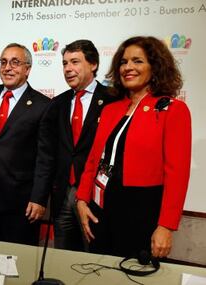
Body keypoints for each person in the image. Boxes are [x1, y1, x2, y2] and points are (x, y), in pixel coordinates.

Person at [76, 36, 191, 259]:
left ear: (155, 67)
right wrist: (81, 200)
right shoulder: (111, 110)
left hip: (142, 214)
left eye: (137, 61)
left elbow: (177, 175)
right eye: (123, 62)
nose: (128, 67)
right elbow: (93, 160)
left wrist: (166, 226)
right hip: (100, 213)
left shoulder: (173, 110)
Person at [0, 43, 53, 246]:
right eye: (4, 62)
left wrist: (39, 198)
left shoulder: (43, 105)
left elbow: (45, 158)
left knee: (18, 261)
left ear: (27, 69)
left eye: (15, 62)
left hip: (21, 201)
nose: (8, 67)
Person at [44, 40, 118, 251]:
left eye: (75, 62)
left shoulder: (114, 100)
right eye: (65, 63)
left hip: (96, 196)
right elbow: (48, 152)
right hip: (63, 194)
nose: (68, 69)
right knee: (64, 257)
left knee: (93, 257)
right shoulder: (57, 104)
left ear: (93, 64)